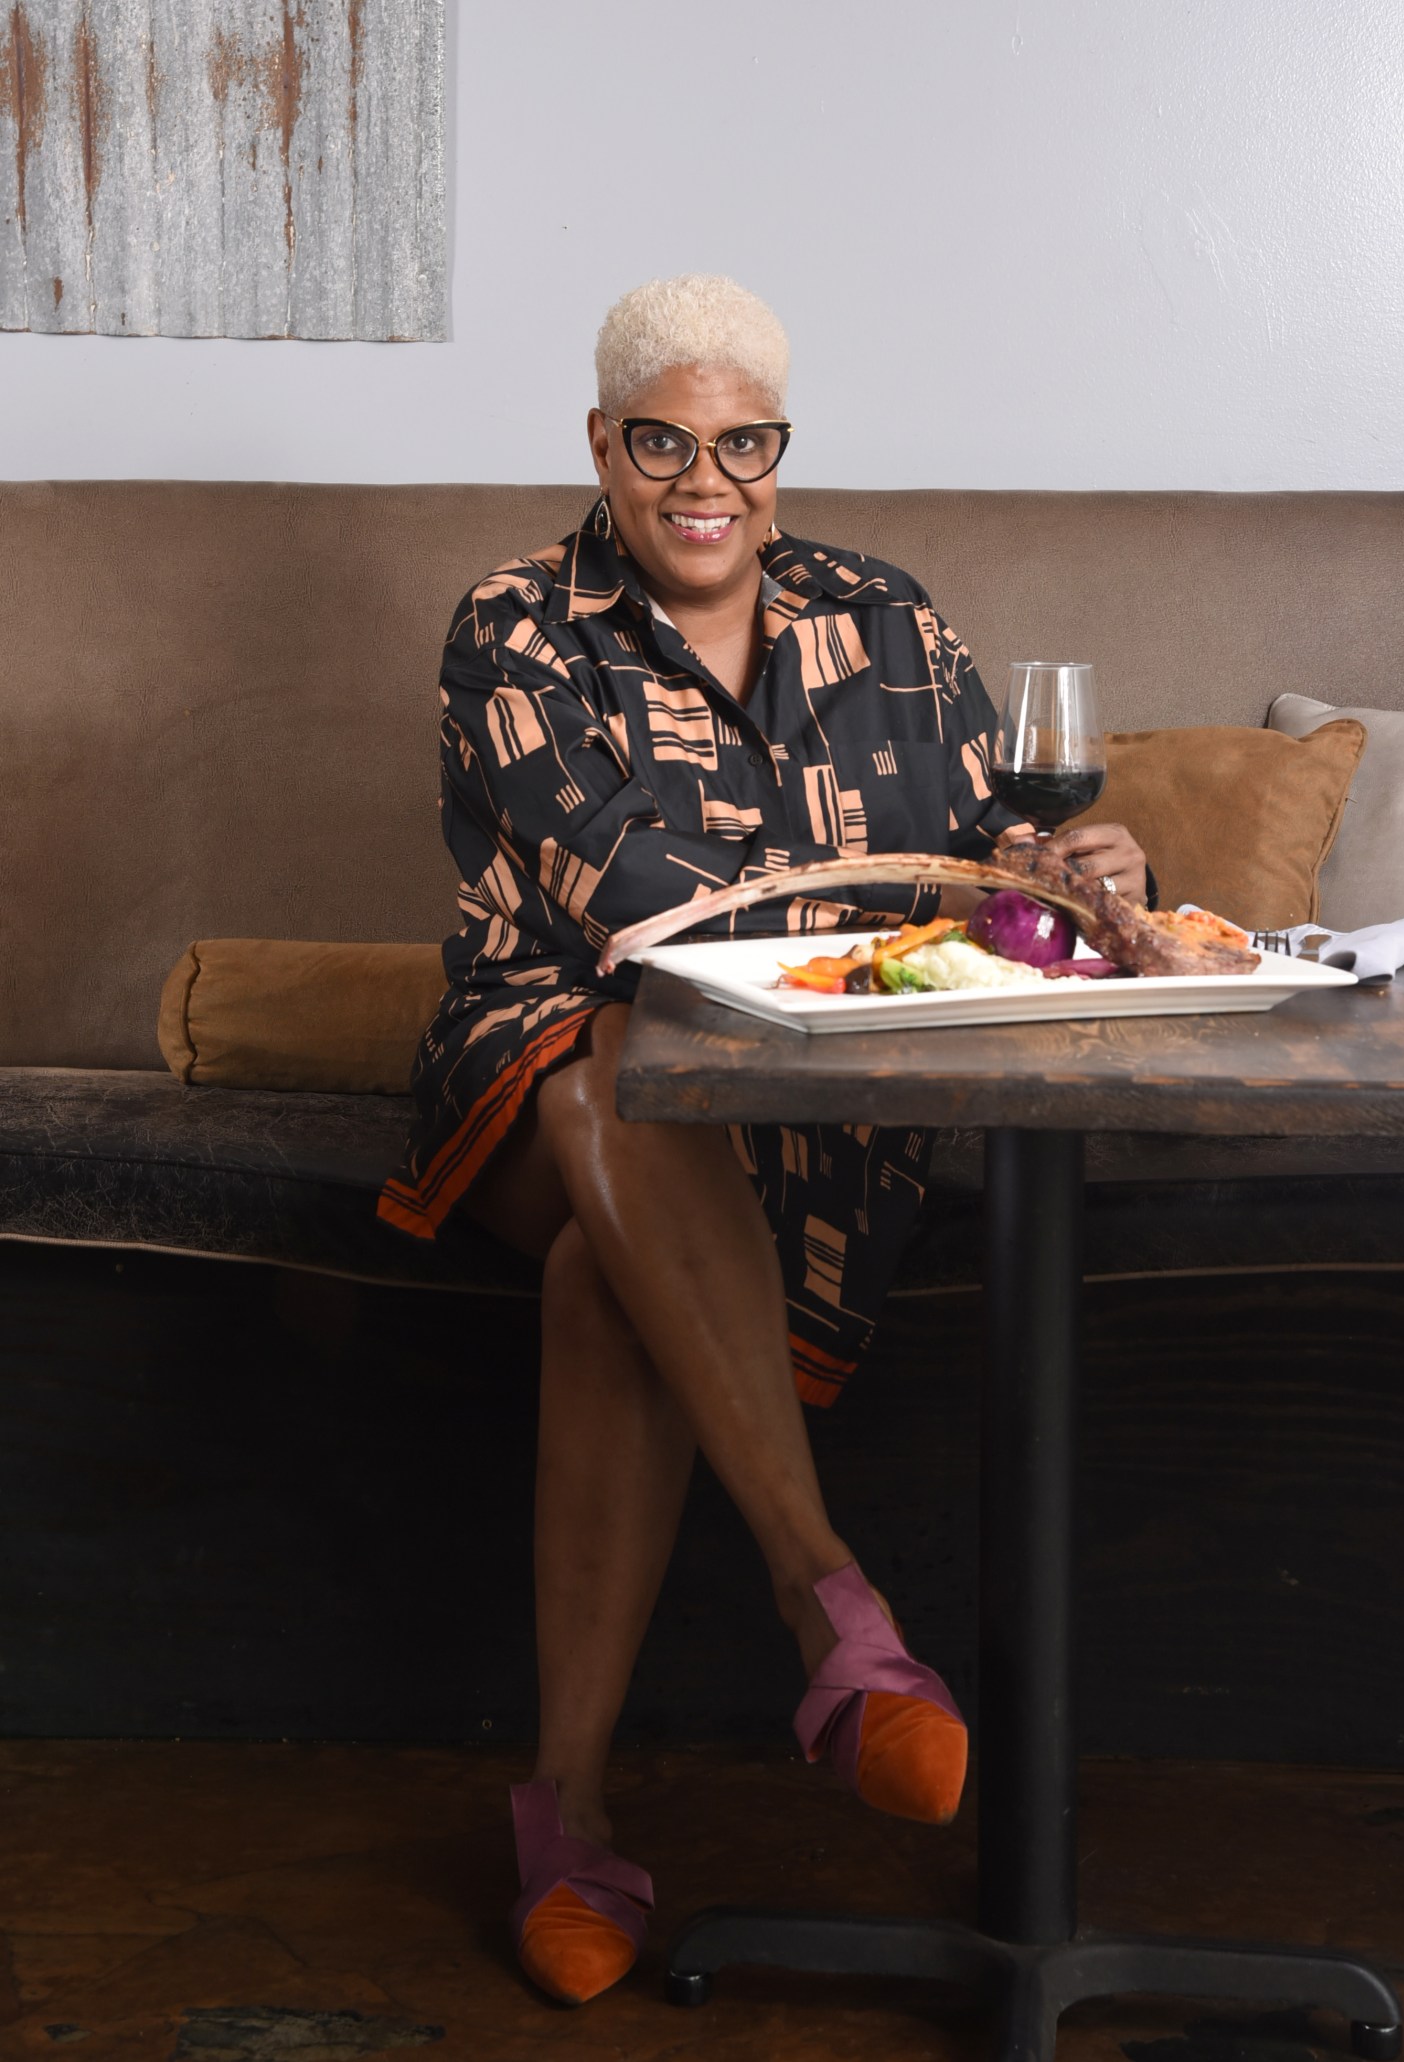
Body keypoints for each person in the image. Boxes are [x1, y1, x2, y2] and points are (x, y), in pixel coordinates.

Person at [378, 274, 1146, 2005]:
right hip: (541, 1061)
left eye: (743, 444)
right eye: (664, 442)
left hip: (814, 1108)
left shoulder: (890, 620)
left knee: (606, 1282)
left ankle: (568, 1813)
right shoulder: (515, 629)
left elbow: (992, 869)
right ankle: (828, 1602)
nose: (704, 481)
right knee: (623, 1066)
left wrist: (1098, 879)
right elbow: (642, 909)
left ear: (780, 452)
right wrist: (910, 902)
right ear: (603, 444)